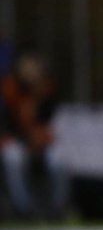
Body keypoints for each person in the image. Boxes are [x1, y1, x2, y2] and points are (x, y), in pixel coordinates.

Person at [1, 51, 70, 219]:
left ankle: (58, 208)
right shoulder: (9, 89)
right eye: (27, 68)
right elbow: (7, 123)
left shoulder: (46, 89)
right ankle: (23, 208)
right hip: (17, 139)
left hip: (40, 141)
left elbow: (47, 120)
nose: (30, 72)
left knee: (59, 158)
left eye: (34, 68)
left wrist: (37, 97)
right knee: (12, 157)